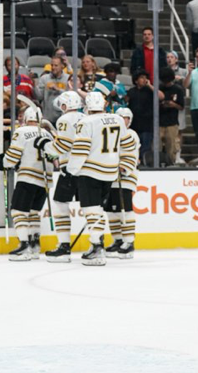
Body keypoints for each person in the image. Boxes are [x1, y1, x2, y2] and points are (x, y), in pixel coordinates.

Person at [65, 92, 135, 266]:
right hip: (110, 173)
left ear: (87, 107)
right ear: (103, 105)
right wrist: (126, 164)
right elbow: (128, 145)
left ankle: (97, 247)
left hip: (90, 172)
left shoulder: (85, 122)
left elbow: (81, 149)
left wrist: (71, 170)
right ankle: (97, 244)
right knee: (97, 210)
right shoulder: (117, 119)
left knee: (91, 209)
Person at [1, 107, 53, 261]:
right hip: (45, 179)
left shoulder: (21, 131)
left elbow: (13, 155)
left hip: (28, 177)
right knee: (33, 212)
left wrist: (4, 161)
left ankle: (24, 245)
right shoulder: (48, 133)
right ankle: (35, 245)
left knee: (18, 211)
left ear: (25, 118)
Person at [36, 91, 83, 261]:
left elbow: (63, 145)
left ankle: (64, 246)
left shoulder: (65, 119)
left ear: (65, 106)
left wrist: (46, 146)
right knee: (91, 207)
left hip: (70, 168)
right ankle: (97, 244)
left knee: (60, 203)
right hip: (88, 168)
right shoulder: (85, 118)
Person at [103, 107, 139, 259]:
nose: (123, 120)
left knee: (125, 209)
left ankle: (129, 242)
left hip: (125, 177)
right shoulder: (112, 134)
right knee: (111, 211)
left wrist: (123, 168)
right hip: (110, 177)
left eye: (126, 118)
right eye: (120, 117)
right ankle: (118, 240)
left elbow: (132, 154)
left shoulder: (131, 134)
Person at [158, 67, 185, 165]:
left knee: (171, 147)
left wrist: (173, 105)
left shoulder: (178, 89)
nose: (166, 83)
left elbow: (181, 107)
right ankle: (157, 165)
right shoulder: (159, 88)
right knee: (157, 147)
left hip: (172, 123)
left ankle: (171, 164)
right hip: (159, 122)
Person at [126, 70, 154, 158]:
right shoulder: (131, 91)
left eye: (146, 78)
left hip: (147, 125)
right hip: (134, 124)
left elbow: (161, 96)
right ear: (136, 81)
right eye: (142, 78)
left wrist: (150, 85)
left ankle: (145, 163)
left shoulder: (150, 91)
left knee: (146, 147)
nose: (144, 79)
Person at [34, 56, 70, 124]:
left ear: (62, 66)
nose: (53, 68)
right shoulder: (44, 78)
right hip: (48, 117)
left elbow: (70, 97)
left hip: (63, 117)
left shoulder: (68, 79)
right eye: (52, 65)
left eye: (56, 65)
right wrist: (34, 86)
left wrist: (58, 89)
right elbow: (39, 97)